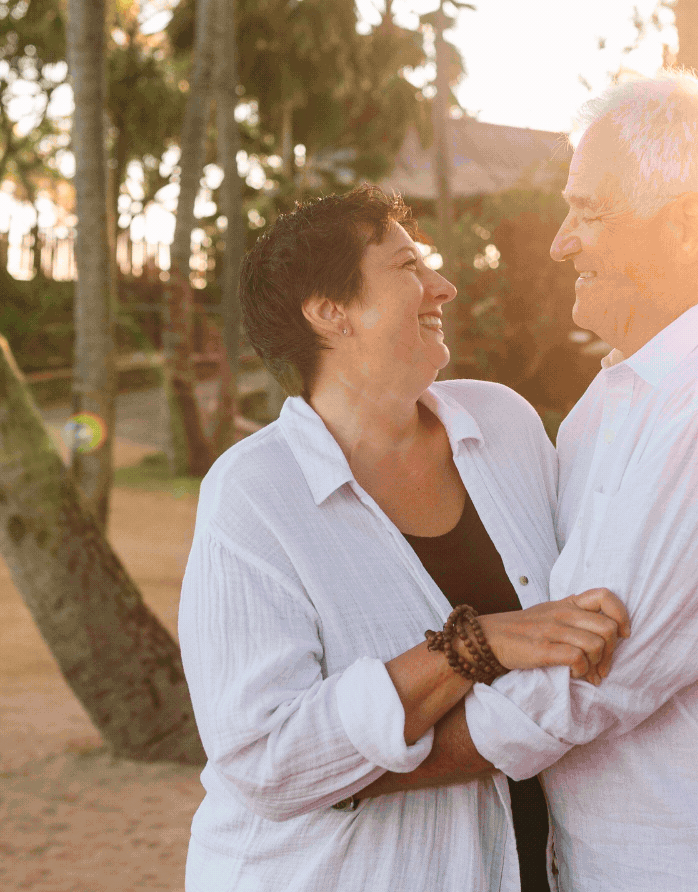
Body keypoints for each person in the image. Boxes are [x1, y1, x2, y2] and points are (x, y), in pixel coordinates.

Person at [363, 75, 698, 892]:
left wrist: (355, 763)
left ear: (683, 227)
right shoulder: (622, 396)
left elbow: (586, 677)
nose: (563, 242)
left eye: (589, 212)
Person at [177, 187, 629, 892]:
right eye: (408, 267)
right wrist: (474, 646)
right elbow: (262, 758)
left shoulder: (505, 426)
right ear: (331, 313)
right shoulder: (254, 492)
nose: (442, 286)